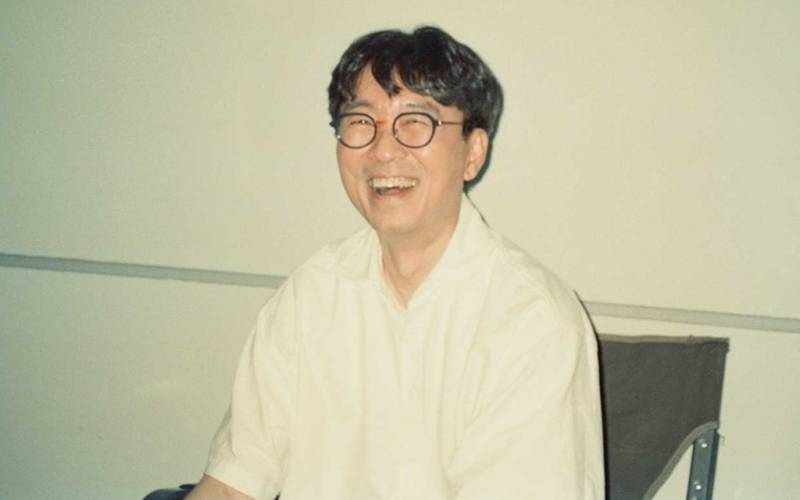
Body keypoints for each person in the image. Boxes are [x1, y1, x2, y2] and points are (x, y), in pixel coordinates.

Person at [187, 26, 604, 500]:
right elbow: (233, 482)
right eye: (361, 121)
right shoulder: (313, 292)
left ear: (473, 153)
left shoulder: (531, 320)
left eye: (415, 121)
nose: (383, 151)